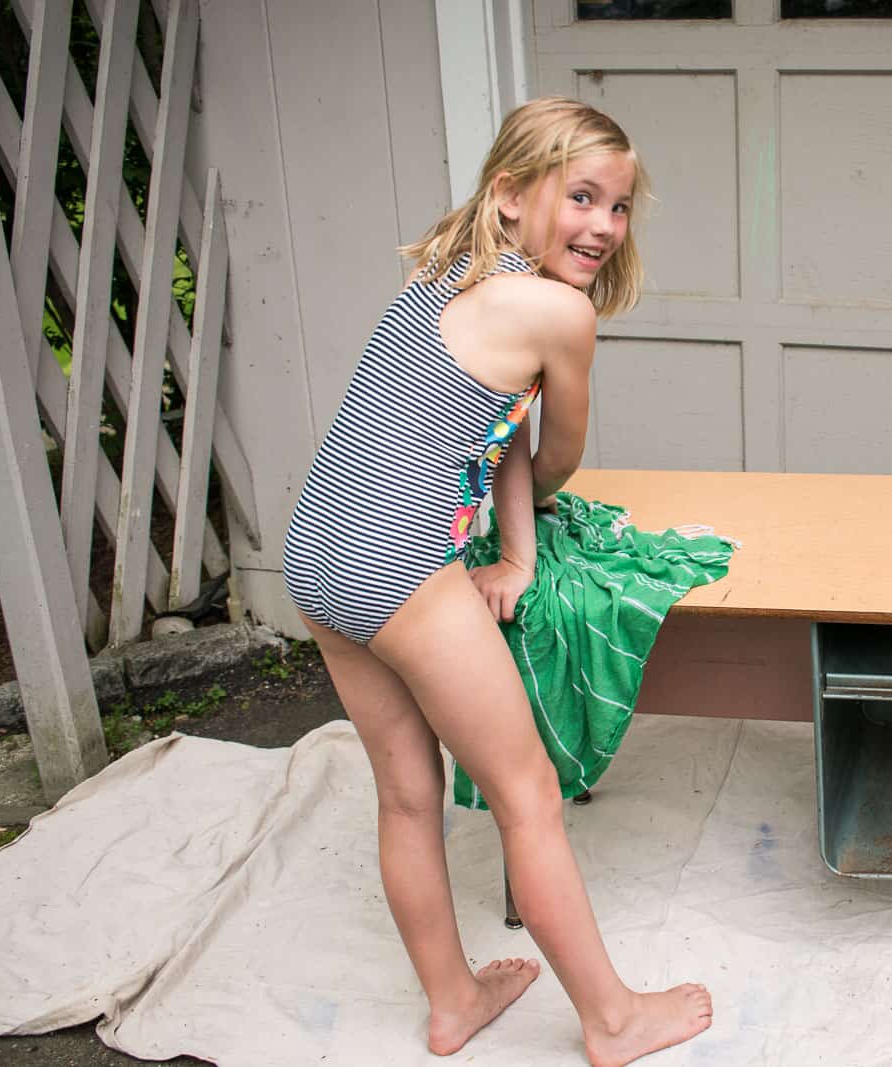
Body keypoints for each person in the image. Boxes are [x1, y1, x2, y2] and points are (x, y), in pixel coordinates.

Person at [280, 97, 712, 1065]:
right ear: (511, 196)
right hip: (398, 566)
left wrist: (515, 555)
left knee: (404, 790)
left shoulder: (443, 274)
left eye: (621, 206)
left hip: (316, 552)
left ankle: (452, 1001)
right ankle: (609, 1018)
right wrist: (520, 527)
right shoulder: (559, 312)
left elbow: (493, 431)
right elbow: (553, 457)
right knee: (527, 794)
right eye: (583, 197)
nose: (604, 225)